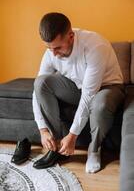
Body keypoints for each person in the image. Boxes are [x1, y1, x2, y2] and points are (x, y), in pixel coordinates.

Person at [32, 12, 125, 173]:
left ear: (71, 36)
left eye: (58, 47)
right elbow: (37, 92)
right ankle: (57, 146)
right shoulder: (51, 51)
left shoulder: (95, 47)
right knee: (41, 83)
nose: (53, 53)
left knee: (99, 104)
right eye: (49, 48)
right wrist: (43, 129)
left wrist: (73, 136)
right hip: (78, 86)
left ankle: (94, 149)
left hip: (109, 86)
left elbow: (89, 95)